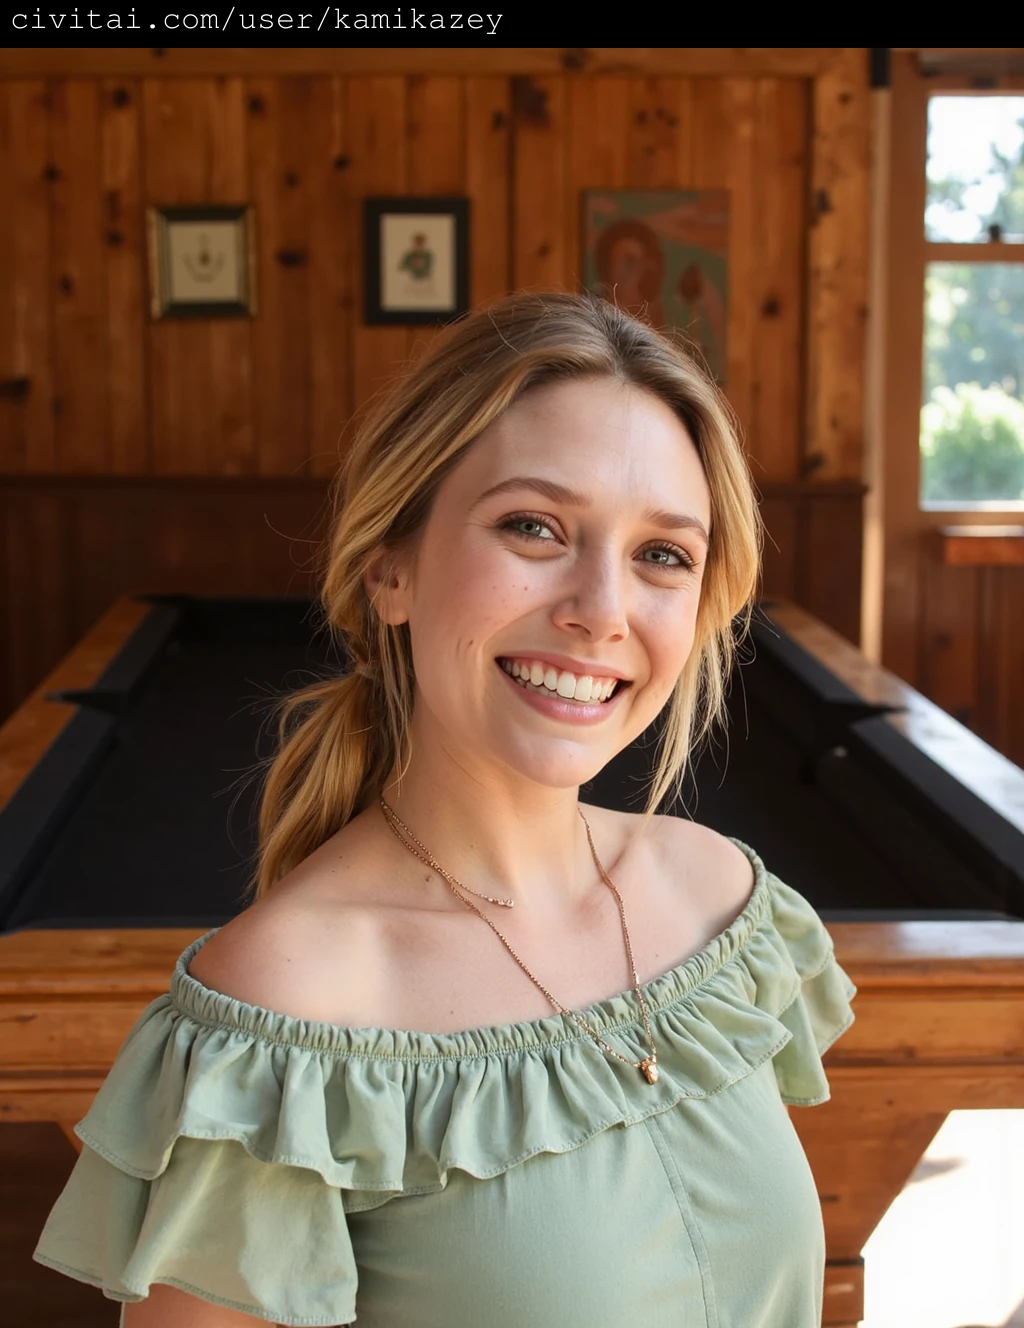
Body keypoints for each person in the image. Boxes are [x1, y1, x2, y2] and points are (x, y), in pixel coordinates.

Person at [33, 292, 856, 1327]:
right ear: (390, 566)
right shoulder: (290, 1001)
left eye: (661, 553)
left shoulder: (719, 897)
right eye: (533, 525)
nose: (601, 607)